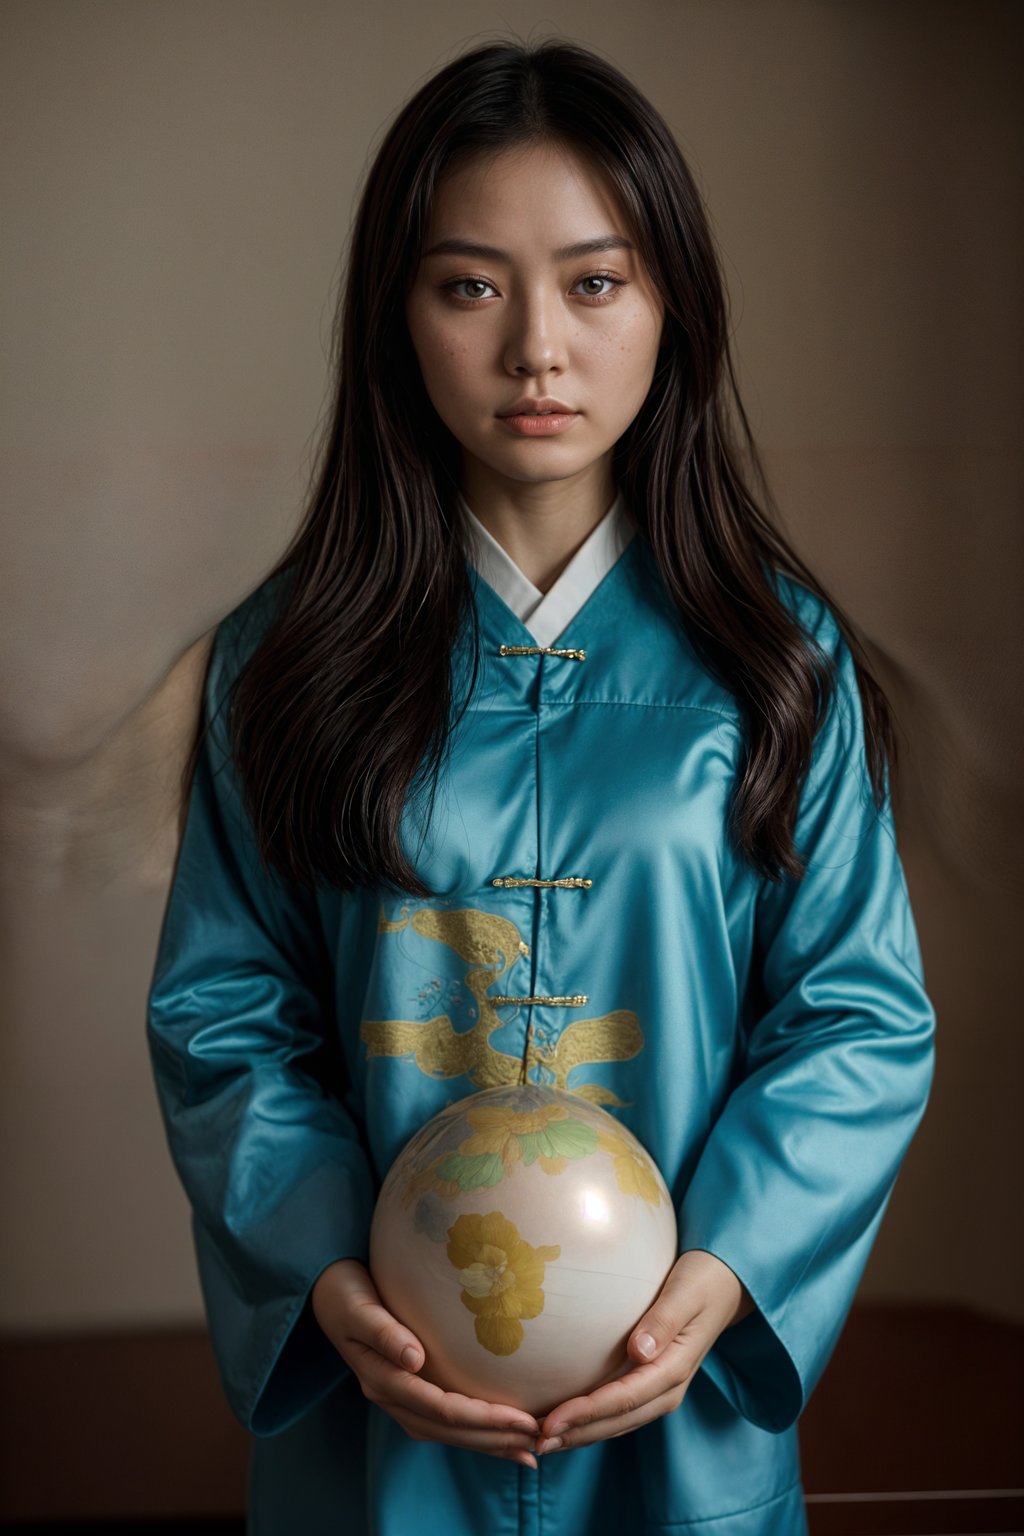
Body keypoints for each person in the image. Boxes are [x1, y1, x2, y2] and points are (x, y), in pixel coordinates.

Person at [146, 37, 936, 1536]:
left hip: (672, 1405)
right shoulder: (288, 657)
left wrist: (718, 1282)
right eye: (468, 286)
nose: (536, 351)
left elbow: (858, 1012)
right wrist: (329, 1274)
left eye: (593, 281)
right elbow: (225, 1012)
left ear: (671, 308)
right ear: (399, 316)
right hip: (391, 1420)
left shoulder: (777, 656)